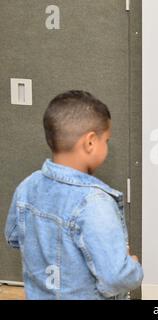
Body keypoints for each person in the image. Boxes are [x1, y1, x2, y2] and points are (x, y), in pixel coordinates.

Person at [4, 90, 143, 299]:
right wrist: (132, 267)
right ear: (90, 142)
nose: (106, 147)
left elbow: (13, 237)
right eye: (106, 141)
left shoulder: (28, 185)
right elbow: (115, 277)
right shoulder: (95, 203)